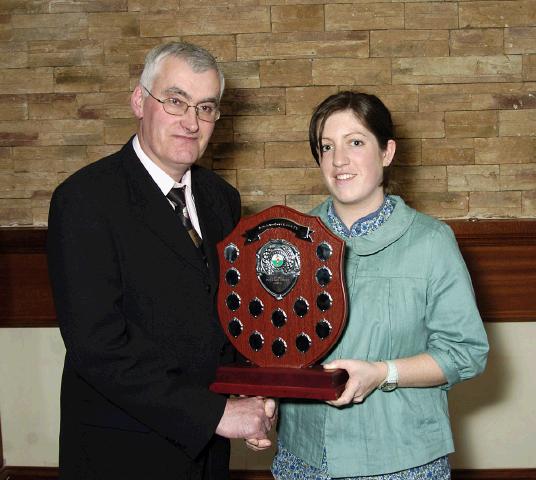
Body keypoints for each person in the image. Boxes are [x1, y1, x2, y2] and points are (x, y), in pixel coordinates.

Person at [47, 41, 276, 480]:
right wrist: (216, 414)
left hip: (207, 456)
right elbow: (98, 347)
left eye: (206, 107)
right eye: (176, 101)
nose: (191, 122)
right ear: (139, 101)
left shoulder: (221, 199)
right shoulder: (84, 200)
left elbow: (231, 317)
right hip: (122, 452)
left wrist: (256, 395)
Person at [262, 92, 489, 479]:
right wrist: (264, 400)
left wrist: (383, 372)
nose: (339, 160)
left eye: (355, 142)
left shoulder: (431, 241)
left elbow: (466, 352)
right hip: (304, 456)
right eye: (326, 147)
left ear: (386, 152)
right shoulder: (290, 241)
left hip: (401, 459)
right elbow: (273, 342)